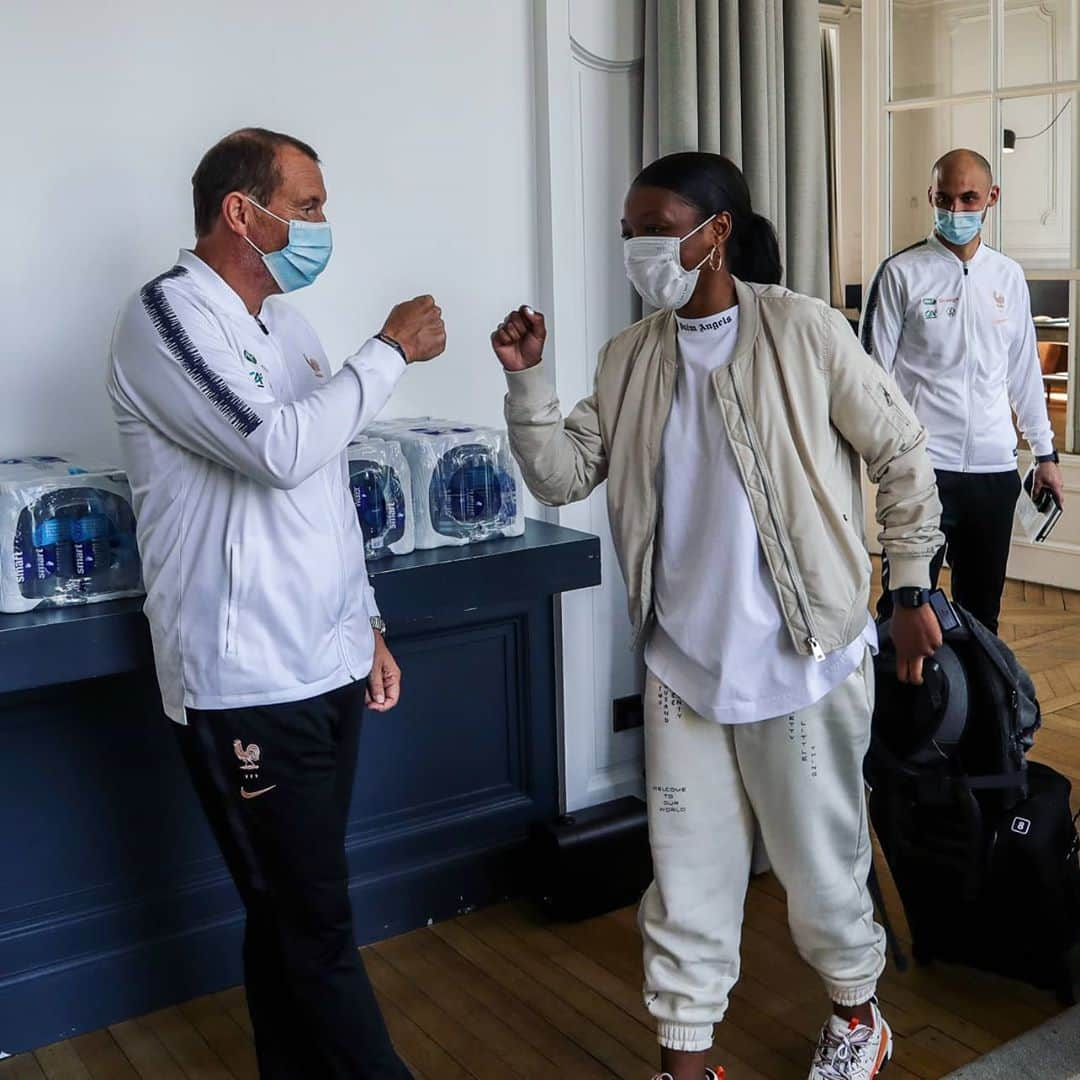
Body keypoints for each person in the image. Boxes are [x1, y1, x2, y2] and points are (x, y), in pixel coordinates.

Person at [491, 152, 944, 1080]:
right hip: (682, 667)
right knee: (686, 883)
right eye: (628, 233)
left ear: (715, 231)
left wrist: (908, 586)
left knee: (820, 871)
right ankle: (685, 1063)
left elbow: (900, 450)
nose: (639, 249)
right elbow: (564, 473)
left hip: (803, 658)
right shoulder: (629, 360)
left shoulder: (803, 331)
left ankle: (859, 1019)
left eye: (655, 228)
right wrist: (529, 384)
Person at [107, 127, 446, 1079]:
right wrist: (386, 351)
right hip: (245, 680)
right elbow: (276, 448)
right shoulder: (166, 317)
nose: (321, 225)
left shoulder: (285, 325)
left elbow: (322, 490)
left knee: (288, 913)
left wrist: (367, 626)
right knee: (315, 922)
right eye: (307, 207)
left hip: (326, 663)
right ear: (240, 212)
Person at [861, 148, 1064, 635]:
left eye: (969, 198)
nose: (956, 210)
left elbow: (1023, 374)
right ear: (931, 197)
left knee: (981, 618)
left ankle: (978, 711)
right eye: (945, 198)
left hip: (994, 473)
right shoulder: (900, 273)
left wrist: (1045, 453)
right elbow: (870, 380)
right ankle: (900, 710)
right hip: (921, 471)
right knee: (902, 613)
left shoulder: (1008, 277)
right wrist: (885, 459)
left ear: (992, 198)